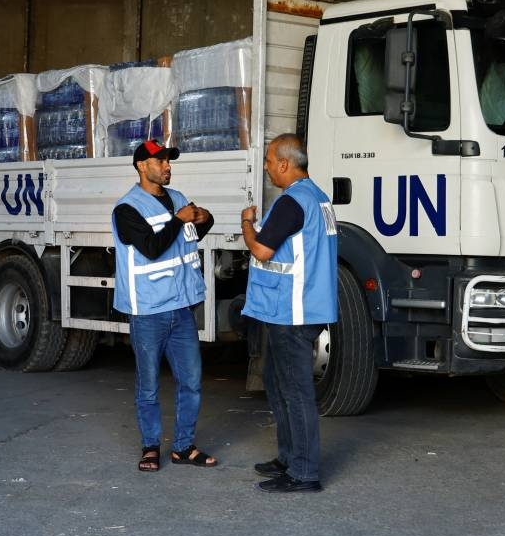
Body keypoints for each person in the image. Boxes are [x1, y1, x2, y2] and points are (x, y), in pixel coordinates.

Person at [112, 139, 219, 472]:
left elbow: (193, 236)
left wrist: (205, 217)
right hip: (148, 311)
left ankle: (184, 446)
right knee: (149, 385)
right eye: (160, 162)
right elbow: (152, 247)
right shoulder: (126, 209)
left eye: (169, 161)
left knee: (191, 381)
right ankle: (150, 446)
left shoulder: (177, 199)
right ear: (142, 167)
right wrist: (180, 219)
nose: (167, 167)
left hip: (181, 308)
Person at [240, 133, 337, 493]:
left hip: (293, 311)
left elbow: (262, 251)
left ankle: (304, 472)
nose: (265, 167)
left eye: (268, 161)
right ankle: (288, 457)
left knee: (295, 392)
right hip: (299, 308)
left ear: (284, 163)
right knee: (277, 382)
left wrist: (247, 223)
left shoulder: (292, 202)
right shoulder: (318, 197)